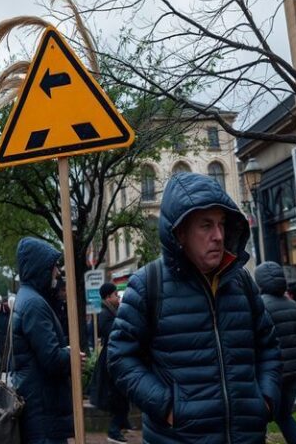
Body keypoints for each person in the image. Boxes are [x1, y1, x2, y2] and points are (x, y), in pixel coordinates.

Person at [109, 172, 282, 443]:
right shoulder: (147, 284)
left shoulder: (241, 281)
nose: (218, 236)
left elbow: (269, 345)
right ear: (179, 232)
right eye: (206, 226)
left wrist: (266, 399)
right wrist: (167, 407)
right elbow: (120, 358)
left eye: (222, 224)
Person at [12, 238, 76, 444]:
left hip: (38, 404)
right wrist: (70, 353)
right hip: (43, 408)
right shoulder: (34, 304)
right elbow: (51, 359)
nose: (57, 272)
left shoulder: (26, 298)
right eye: (53, 266)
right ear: (40, 268)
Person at [255, 261, 296, 444]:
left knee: (259, 417)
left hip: (271, 374)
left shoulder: (259, 306)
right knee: (285, 416)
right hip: (295, 372)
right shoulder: (292, 305)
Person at [90, 282, 130, 443]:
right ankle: (114, 430)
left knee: (122, 395)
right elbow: (112, 331)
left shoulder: (112, 311)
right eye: (115, 295)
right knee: (118, 396)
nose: (117, 297)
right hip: (110, 361)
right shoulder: (105, 314)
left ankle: (121, 423)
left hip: (114, 358)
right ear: (107, 297)